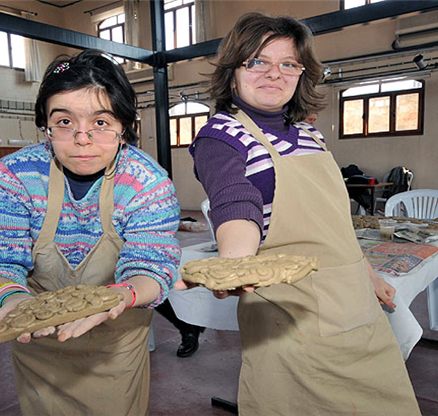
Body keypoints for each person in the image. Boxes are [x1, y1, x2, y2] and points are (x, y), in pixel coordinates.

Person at [176, 13, 421, 415]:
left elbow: (334, 222)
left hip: (356, 303)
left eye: (288, 63)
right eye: (258, 61)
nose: (274, 73)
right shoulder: (220, 137)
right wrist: (235, 264)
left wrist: (369, 275)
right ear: (233, 71)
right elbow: (235, 202)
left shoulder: (310, 135)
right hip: (289, 316)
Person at [0, 49, 181, 416]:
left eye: (101, 122)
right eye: (65, 122)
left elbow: (152, 265)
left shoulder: (146, 182)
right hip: (37, 340)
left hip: (115, 343)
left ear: (124, 126)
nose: (82, 139)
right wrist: (13, 302)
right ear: (45, 124)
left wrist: (121, 295)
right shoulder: (16, 175)